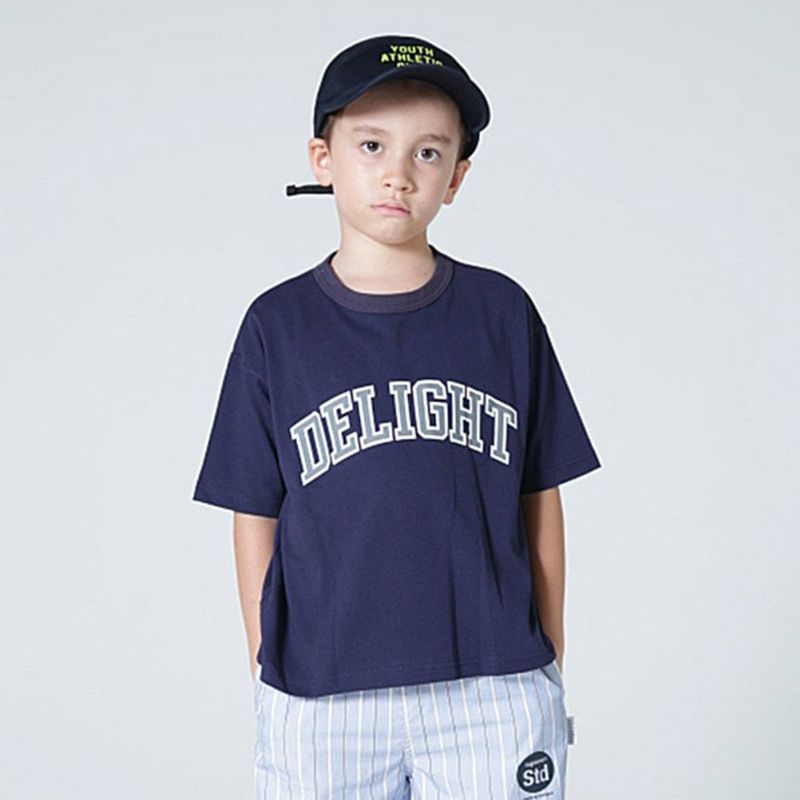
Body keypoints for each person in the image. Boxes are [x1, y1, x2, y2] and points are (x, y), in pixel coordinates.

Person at [192, 33, 601, 800]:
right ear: (323, 159)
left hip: (492, 684)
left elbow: (540, 493)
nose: (398, 173)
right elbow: (254, 511)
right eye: (372, 145)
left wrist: (549, 651)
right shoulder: (277, 326)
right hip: (322, 692)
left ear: (457, 177)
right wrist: (263, 661)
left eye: (428, 152)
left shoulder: (501, 313)